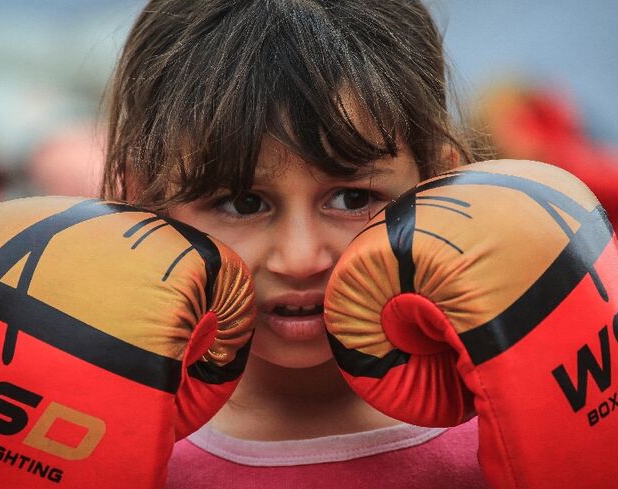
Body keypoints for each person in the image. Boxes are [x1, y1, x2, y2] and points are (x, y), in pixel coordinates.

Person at [100, 0, 488, 487]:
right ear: (142, 201)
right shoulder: (94, 436)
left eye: (352, 198)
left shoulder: (507, 412)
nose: (301, 259)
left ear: (440, 185)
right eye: (242, 203)